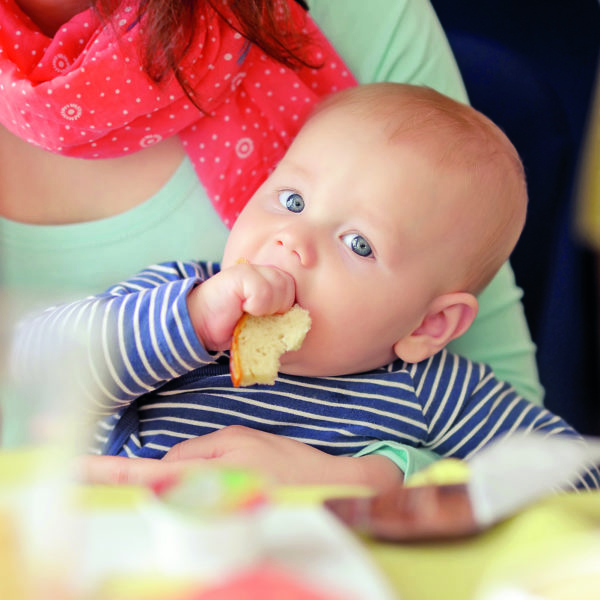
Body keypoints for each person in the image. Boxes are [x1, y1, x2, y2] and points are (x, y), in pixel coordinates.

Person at [1, 0, 541, 479]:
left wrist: (381, 479)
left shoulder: (431, 390)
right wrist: (191, 321)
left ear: (430, 325)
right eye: (291, 201)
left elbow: (560, 477)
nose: (293, 241)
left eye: (358, 244)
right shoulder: (181, 298)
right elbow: (37, 362)